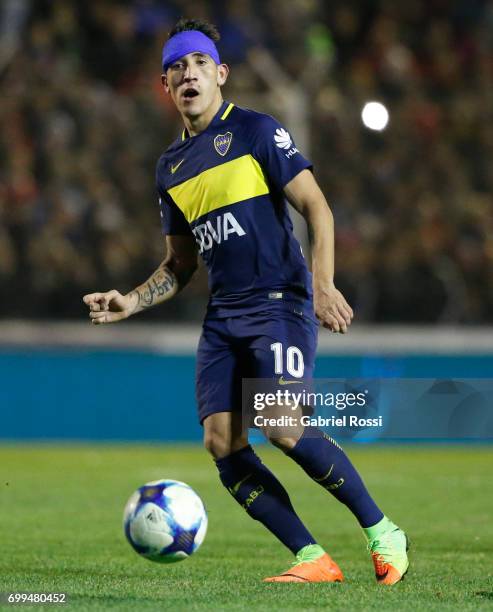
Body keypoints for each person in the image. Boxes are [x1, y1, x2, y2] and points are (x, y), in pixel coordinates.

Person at [83, 18, 409, 585]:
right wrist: (130, 302)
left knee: (281, 426)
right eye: (178, 67)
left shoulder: (256, 131)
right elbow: (180, 265)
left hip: (279, 302)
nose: (190, 74)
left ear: (221, 74)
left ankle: (383, 531)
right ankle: (312, 557)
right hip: (223, 317)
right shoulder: (170, 169)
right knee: (221, 441)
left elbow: (318, 208)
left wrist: (324, 283)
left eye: (201, 63)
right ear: (166, 86)